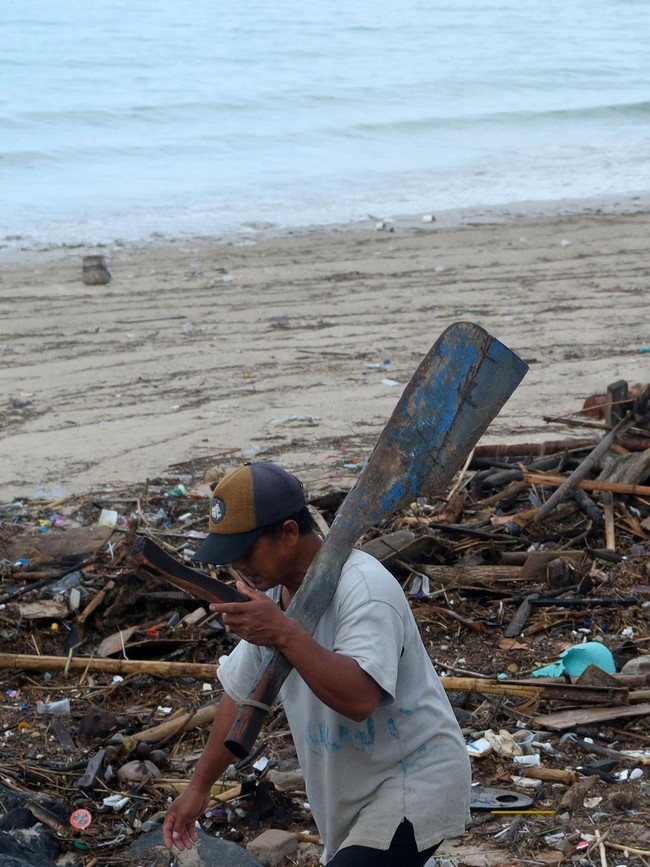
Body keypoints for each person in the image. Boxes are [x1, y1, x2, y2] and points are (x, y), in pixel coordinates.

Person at [163, 461, 471, 866]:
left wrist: (284, 633)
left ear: (288, 532)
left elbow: (360, 699)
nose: (237, 565)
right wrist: (199, 787)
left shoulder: (363, 586)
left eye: (246, 550)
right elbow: (240, 696)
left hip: (413, 782)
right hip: (350, 795)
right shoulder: (274, 598)